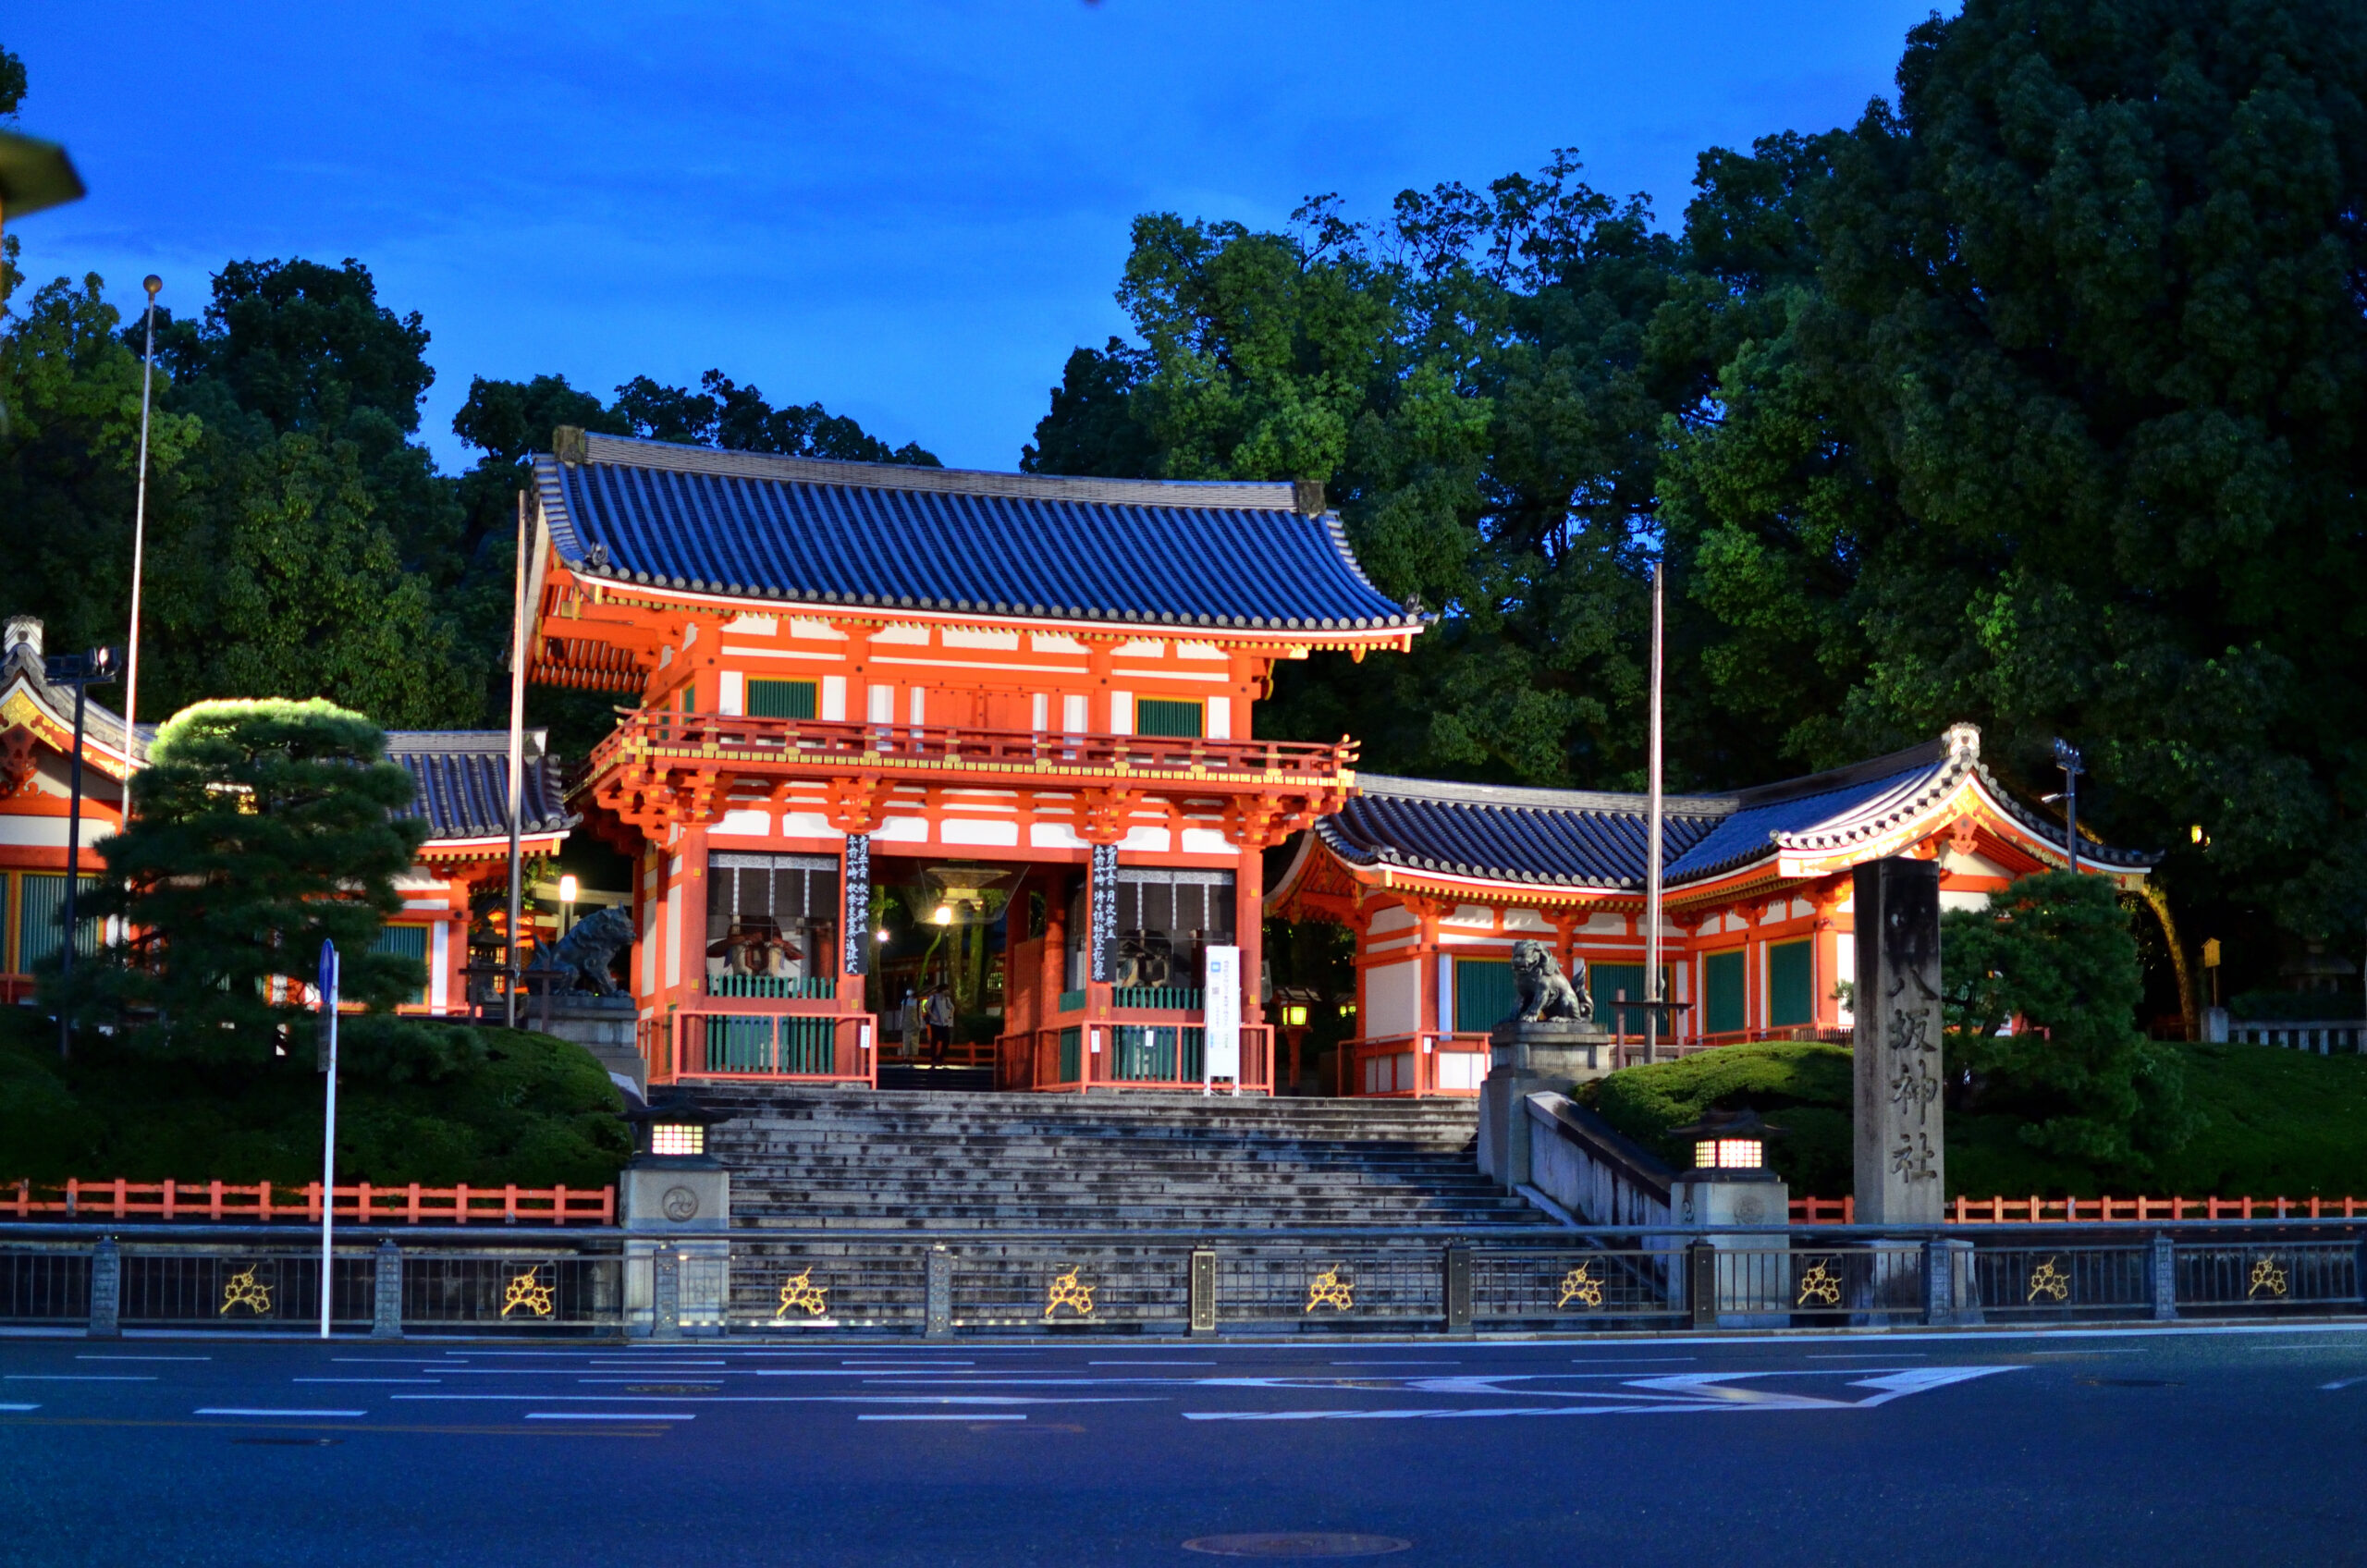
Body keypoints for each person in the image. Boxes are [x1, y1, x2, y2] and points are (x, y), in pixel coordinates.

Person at [925, 984, 955, 1066]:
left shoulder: (946, 999)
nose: (948, 991)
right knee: (934, 1040)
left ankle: (941, 1057)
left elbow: (952, 1007)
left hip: (944, 1023)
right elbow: (926, 1006)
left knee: (947, 1040)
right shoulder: (933, 997)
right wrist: (932, 1015)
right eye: (947, 989)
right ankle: (933, 1058)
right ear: (943, 990)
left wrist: (950, 1015)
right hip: (935, 1023)